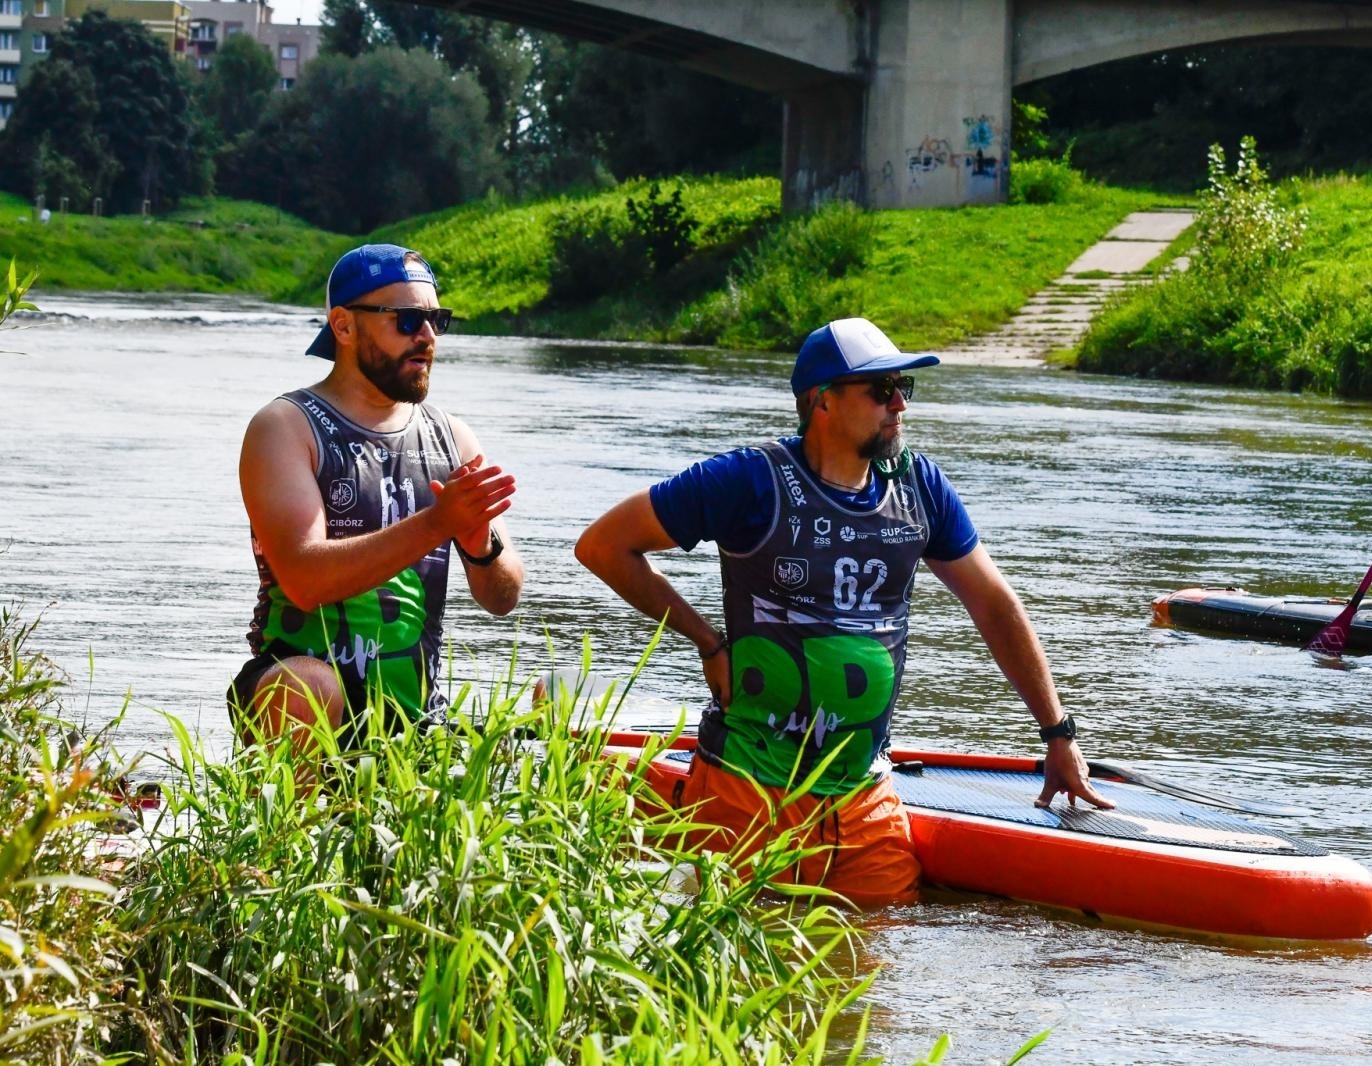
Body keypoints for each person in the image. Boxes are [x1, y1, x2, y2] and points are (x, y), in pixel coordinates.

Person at [575, 317, 1112, 908]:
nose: (900, 404)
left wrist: (1058, 733)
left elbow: (993, 604)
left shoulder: (921, 488)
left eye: (903, 386)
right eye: (881, 390)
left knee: (877, 979)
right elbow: (602, 547)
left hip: (864, 801)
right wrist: (708, 641)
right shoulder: (747, 480)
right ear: (821, 401)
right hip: (745, 791)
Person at [229, 243, 524, 751]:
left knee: (563, 693)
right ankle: (288, 828)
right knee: (308, 686)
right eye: (408, 320)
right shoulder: (284, 426)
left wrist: (481, 545)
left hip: (416, 722)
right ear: (343, 326)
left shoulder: (452, 437)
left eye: (436, 319)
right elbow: (304, 579)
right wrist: (436, 524)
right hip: (300, 698)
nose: (428, 337)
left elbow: (503, 598)